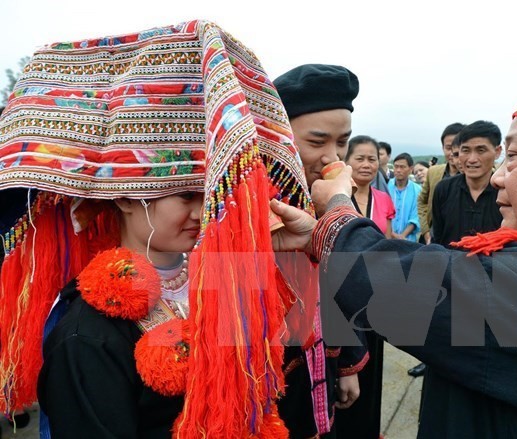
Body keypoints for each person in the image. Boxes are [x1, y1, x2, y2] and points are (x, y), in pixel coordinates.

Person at [270, 15, 517, 437]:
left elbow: (401, 291)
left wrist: (337, 215)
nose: (496, 176)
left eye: (512, 157)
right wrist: (318, 233)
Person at [0, 20, 315, 438]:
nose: (205, 212)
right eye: (185, 196)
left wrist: (306, 248)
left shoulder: (223, 281)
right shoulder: (86, 333)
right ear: (128, 196)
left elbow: (312, 344)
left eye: (209, 194)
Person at [274, 63, 367, 438]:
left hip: (321, 362)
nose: (333, 157)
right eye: (317, 142)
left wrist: (346, 364)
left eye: (342, 141)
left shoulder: (335, 200)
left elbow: (346, 289)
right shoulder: (247, 199)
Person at [330, 134, 394, 438]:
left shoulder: (383, 199)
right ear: (347, 161)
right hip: (343, 297)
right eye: (361, 158)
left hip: (376, 298)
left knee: (374, 366)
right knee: (346, 370)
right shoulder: (335, 198)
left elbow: (388, 242)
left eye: (373, 158)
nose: (368, 164)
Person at [431, 120, 503, 246]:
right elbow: (437, 239)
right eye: (465, 150)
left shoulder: (506, 194)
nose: (472, 159)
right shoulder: (443, 189)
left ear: (497, 152)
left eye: (481, 150)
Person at [417, 122, 465, 246]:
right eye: (448, 148)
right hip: (433, 239)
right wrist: (426, 231)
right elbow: (422, 201)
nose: (452, 153)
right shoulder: (434, 172)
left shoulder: (474, 175)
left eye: (458, 147)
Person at [388, 152, 421, 242]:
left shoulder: (418, 190)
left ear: (410, 169)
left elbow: (416, 216)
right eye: (396, 166)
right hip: (386, 238)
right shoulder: (386, 186)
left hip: (408, 240)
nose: (398, 170)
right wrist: (392, 234)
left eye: (402, 167)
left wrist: (402, 236)